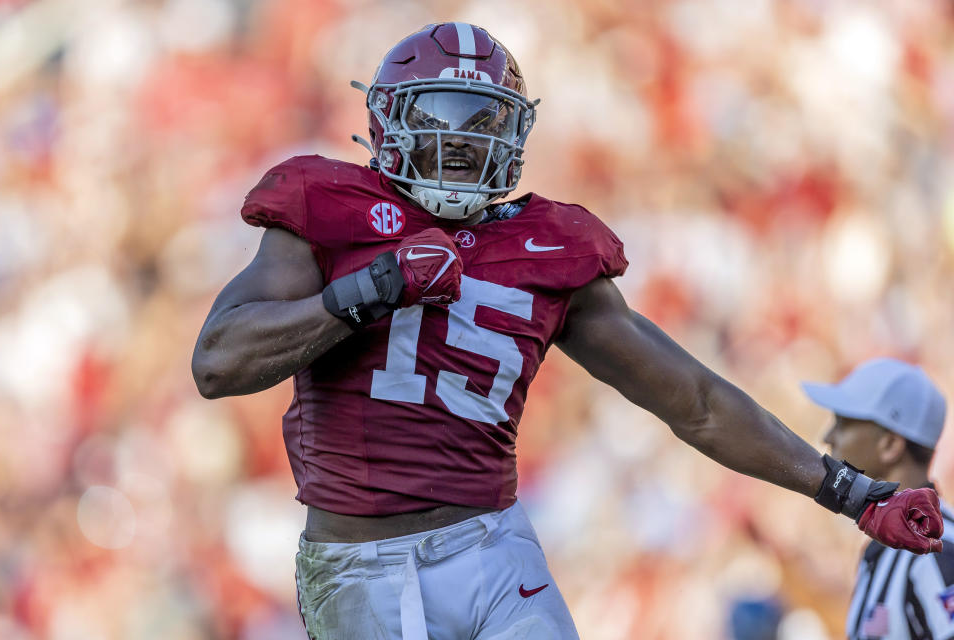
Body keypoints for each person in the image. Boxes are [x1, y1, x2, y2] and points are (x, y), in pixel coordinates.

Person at [191, 22, 943, 640]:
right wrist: (369, 290)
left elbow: (694, 400)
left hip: (491, 545)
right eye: (439, 118)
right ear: (389, 120)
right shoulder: (330, 206)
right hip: (359, 565)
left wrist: (850, 492)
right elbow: (217, 363)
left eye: (481, 122)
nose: (460, 143)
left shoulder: (551, 245)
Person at [805, 358, 954, 640]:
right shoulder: (887, 549)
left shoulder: (935, 552)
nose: (828, 437)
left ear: (890, 444)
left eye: (842, 423)